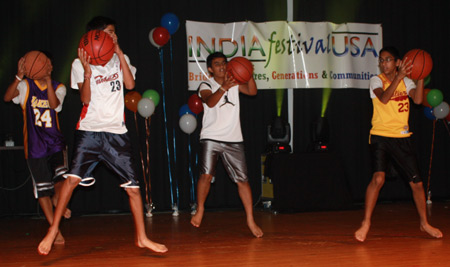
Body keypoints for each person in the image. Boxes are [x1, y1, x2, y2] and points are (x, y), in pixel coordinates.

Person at [37, 16, 168, 255]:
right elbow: (85, 99)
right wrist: (88, 72)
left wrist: (119, 52)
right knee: (71, 181)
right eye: (109, 32)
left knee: (133, 188)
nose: (114, 35)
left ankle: (142, 237)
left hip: (117, 133)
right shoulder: (79, 62)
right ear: (96, 36)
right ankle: (53, 229)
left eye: (115, 32)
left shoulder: (121, 58)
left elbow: (130, 85)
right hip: (90, 131)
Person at [354, 46, 443, 242]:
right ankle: (366, 222)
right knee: (378, 179)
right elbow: (384, 98)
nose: (383, 63)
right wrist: (398, 77)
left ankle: (424, 223)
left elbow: (418, 100)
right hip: (380, 136)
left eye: (387, 60)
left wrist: (421, 75)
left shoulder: (407, 81)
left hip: (402, 137)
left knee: (417, 184)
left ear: (397, 62)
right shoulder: (376, 80)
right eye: (381, 60)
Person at [190, 52, 263, 238]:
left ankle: (250, 219)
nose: (222, 66)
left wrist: (248, 73)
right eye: (217, 64)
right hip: (211, 137)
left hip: (234, 138)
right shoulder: (206, 85)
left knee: (243, 181)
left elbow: (253, 92)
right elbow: (210, 102)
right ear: (210, 69)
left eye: (224, 63)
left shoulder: (235, 82)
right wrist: (223, 87)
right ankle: (200, 209)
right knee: (206, 176)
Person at [4, 51, 71, 245]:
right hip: (35, 147)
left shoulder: (59, 87)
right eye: (45, 63)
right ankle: (54, 228)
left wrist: (48, 82)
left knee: (61, 184)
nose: (48, 66)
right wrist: (19, 76)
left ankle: (57, 202)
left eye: (49, 63)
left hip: (55, 143)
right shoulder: (25, 86)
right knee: (43, 190)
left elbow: (54, 105)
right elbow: (8, 98)